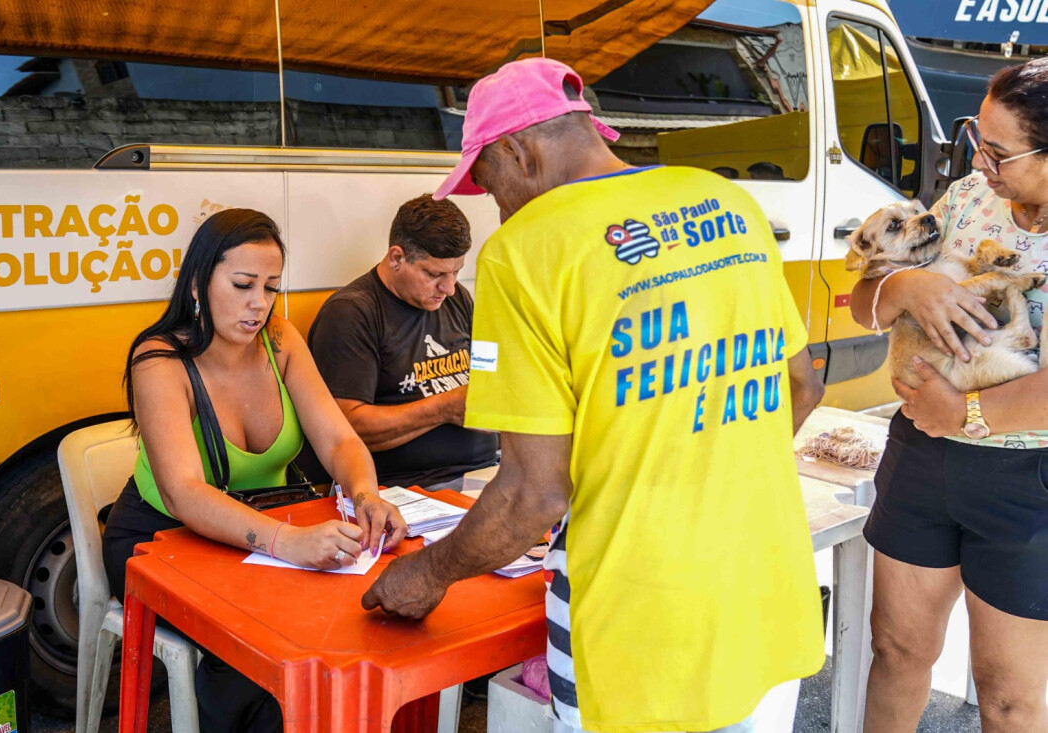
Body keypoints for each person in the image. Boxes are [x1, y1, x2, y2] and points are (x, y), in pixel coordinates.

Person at [361, 57, 827, 733]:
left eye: (489, 185)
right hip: (764, 582)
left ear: (517, 151)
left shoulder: (523, 253)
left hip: (638, 616)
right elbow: (801, 385)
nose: (499, 207)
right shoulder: (727, 200)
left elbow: (532, 495)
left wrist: (429, 574)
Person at [102, 208, 407, 732]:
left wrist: (365, 495)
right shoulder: (158, 360)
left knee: (358, 620)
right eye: (243, 284)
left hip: (264, 533)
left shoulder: (281, 340)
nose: (259, 304)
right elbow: (182, 492)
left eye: (270, 287)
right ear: (198, 282)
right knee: (255, 648)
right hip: (163, 539)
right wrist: (285, 544)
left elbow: (338, 437)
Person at [849, 58, 1048, 733]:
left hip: (1028, 481)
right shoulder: (967, 197)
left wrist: (962, 412)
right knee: (897, 651)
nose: (977, 160)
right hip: (921, 458)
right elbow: (865, 300)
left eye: (997, 150)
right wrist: (904, 288)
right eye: (973, 137)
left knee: (1009, 699)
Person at [303, 194, 498, 490]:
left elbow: (489, 370)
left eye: (456, 272)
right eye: (434, 274)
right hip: (406, 487)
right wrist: (445, 408)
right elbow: (345, 430)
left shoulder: (457, 299)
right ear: (397, 257)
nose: (448, 287)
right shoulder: (352, 313)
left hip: (486, 472)